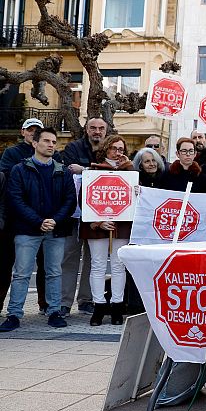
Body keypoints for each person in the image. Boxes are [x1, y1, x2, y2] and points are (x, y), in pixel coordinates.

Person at [0, 127, 76, 331]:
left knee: (54, 272)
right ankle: (14, 315)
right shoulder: (19, 169)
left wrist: (55, 220)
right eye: (46, 141)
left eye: (54, 142)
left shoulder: (63, 171)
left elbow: (70, 200)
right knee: (21, 273)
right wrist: (38, 221)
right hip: (27, 229)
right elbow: (15, 199)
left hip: (55, 230)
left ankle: (54, 312)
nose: (51, 145)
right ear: (34, 143)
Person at [80, 136, 135, 326]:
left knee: (119, 266)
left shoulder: (129, 171)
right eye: (114, 148)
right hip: (98, 224)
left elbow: (135, 196)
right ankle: (99, 306)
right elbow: (84, 198)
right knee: (98, 265)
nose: (117, 153)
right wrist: (98, 221)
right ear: (106, 149)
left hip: (122, 224)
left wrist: (129, 168)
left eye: (121, 149)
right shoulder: (94, 170)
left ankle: (117, 306)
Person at [0, 118, 51, 314]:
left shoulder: (51, 155)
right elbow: (11, 180)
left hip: (43, 219)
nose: (33, 133)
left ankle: (45, 305)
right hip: (15, 219)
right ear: (23, 132)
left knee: (45, 266)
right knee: (7, 264)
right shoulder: (11, 153)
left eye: (37, 131)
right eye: (30, 130)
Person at [60, 118, 109, 318]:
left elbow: (112, 174)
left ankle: (86, 301)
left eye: (101, 128)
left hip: (98, 215)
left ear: (106, 131)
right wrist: (95, 170)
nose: (97, 131)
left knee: (93, 260)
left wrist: (86, 170)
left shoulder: (110, 149)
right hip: (74, 213)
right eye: (93, 128)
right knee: (69, 258)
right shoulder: (73, 147)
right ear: (86, 130)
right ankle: (64, 303)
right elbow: (69, 170)